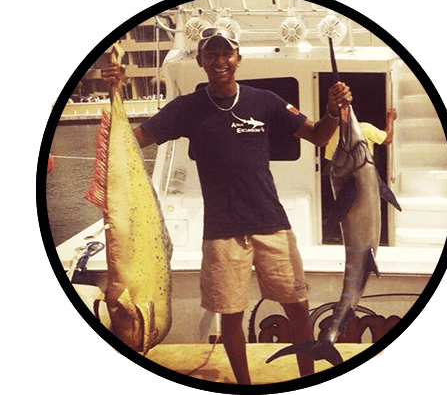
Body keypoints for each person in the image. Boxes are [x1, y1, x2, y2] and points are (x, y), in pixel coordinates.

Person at [102, 27, 352, 385]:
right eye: (211, 54)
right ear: (201, 61)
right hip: (221, 232)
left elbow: (319, 135)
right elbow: (128, 143)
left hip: (272, 224)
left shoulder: (264, 100)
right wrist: (117, 92)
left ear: (238, 58)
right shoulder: (186, 108)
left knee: (297, 309)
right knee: (231, 316)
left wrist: (331, 111)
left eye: (226, 53)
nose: (220, 61)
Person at [324, 108, 397, 161]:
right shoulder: (364, 128)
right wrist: (390, 119)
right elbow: (387, 139)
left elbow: (330, 161)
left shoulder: (333, 133)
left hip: (344, 178)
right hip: (363, 175)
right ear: (356, 116)